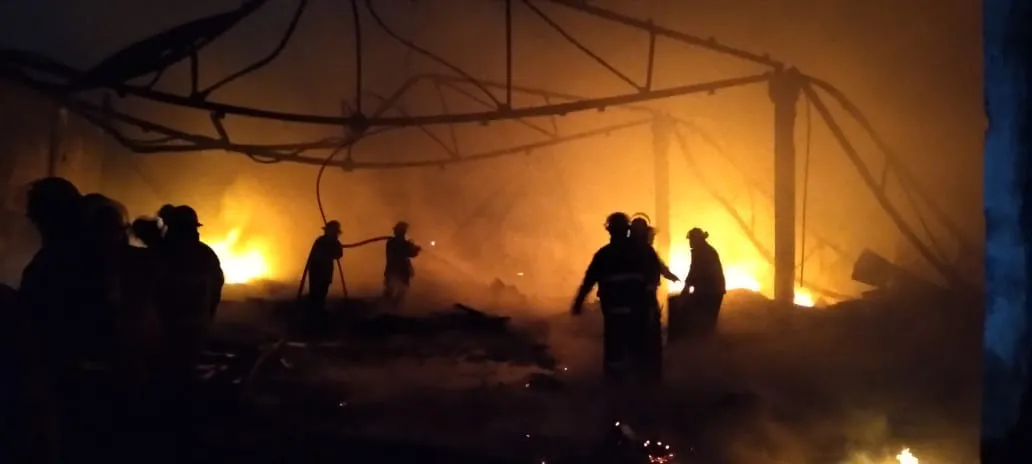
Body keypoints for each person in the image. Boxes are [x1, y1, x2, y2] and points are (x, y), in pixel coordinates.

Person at [571, 212, 653, 385]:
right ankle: (640, 388)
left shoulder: (604, 254)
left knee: (614, 349)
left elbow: (589, 280)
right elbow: (651, 278)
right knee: (637, 346)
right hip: (637, 310)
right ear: (627, 229)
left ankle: (614, 386)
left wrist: (578, 303)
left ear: (609, 231)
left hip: (613, 311)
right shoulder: (642, 252)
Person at [628, 216, 680, 382]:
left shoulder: (624, 249)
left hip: (629, 300)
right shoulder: (643, 250)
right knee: (649, 334)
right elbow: (657, 267)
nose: (651, 238)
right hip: (643, 299)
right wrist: (670, 276)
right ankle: (649, 373)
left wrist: (671, 276)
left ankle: (636, 371)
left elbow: (659, 266)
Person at [303, 220, 345, 329]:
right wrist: (335, 244)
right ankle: (314, 321)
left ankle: (315, 319)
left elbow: (338, 254)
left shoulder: (329, 242)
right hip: (318, 274)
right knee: (317, 297)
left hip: (323, 274)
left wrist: (336, 243)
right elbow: (335, 254)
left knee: (320, 296)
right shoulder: (322, 242)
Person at [684, 228, 726, 332]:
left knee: (704, 319)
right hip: (714, 289)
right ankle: (708, 341)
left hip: (710, 290)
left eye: (691, 240)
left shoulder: (701, 252)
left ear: (696, 240)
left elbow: (695, 270)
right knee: (708, 320)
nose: (690, 242)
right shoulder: (705, 250)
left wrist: (687, 286)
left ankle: (705, 341)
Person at [383, 221, 421, 311]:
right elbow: (408, 253)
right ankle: (389, 311)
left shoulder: (393, 242)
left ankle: (390, 311)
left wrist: (415, 249)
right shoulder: (395, 243)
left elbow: (410, 252)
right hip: (398, 272)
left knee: (397, 293)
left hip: (394, 272)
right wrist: (415, 250)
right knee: (395, 293)